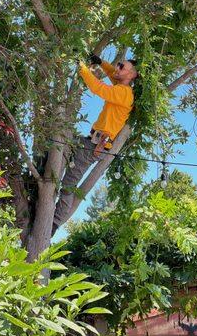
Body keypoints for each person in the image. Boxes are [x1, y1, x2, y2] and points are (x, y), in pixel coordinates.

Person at [52, 53, 138, 234]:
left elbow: (98, 88)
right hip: (89, 141)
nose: (118, 67)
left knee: (68, 185)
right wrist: (101, 63)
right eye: (119, 64)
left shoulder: (124, 93)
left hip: (95, 146)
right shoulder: (121, 87)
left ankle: (54, 223)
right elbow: (112, 74)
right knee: (57, 147)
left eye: (122, 66)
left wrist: (82, 67)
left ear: (132, 75)